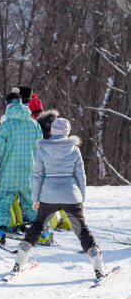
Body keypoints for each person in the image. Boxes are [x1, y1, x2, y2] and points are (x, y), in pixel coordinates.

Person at [12, 118, 110, 279]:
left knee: (37, 227)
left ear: (52, 130)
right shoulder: (74, 149)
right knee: (82, 230)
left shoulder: (43, 149)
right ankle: (99, 266)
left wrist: (35, 198)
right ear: (67, 131)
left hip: (48, 194)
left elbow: (36, 176)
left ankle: (19, 262)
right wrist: (82, 197)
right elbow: (81, 175)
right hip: (70, 194)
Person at [0, 87, 42, 244]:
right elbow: (40, 149)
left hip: (9, 174)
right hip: (28, 172)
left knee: (2, 203)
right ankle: (44, 233)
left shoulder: (6, 126)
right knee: (31, 205)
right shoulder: (34, 125)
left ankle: (0, 234)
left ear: (7, 105)